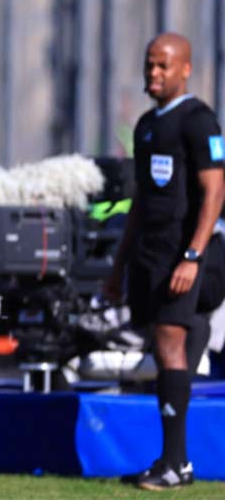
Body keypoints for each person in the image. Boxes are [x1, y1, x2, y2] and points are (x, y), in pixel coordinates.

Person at [106, 32, 224, 490]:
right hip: (150, 255)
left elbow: (215, 191)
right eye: (149, 64)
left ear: (185, 69)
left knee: (170, 343)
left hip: (183, 252)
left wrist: (192, 255)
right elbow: (142, 201)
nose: (154, 73)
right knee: (164, 342)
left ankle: (174, 464)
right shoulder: (146, 126)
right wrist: (119, 266)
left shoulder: (198, 120)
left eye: (163, 66)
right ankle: (176, 461)